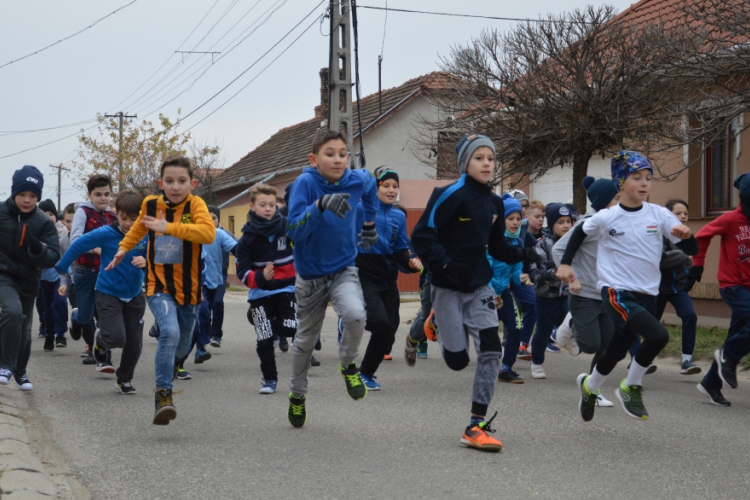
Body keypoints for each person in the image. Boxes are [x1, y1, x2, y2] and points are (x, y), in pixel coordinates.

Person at [558, 151, 697, 422]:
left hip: (647, 295)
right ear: (620, 183)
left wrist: (688, 236)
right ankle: (631, 386)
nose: (644, 183)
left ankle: (590, 386)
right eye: (636, 178)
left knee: (616, 350)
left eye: (648, 178)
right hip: (616, 292)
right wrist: (565, 265)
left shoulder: (659, 214)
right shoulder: (607, 217)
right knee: (658, 336)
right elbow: (576, 235)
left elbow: (690, 248)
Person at [412, 133, 527, 451]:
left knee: (492, 351)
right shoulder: (448, 194)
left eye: (490, 158)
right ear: (465, 162)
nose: (486, 163)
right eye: (479, 158)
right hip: (447, 287)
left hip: (480, 287)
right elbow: (421, 237)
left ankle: (475, 425)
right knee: (458, 361)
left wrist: (522, 254)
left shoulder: (494, 203)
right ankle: (434, 320)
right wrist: (447, 266)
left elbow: (497, 245)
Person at [106, 155, 216, 425]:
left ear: (192, 183)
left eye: (181, 181)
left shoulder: (196, 204)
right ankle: (163, 394)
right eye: (169, 181)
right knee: (170, 332)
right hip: (158, 285)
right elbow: (137, 231)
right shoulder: (151, 204)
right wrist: (123, 250)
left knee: (181, 346)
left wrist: (168, 228)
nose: (176, 187)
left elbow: (208, 234)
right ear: (160, 183)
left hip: (189, 290)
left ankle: (175, 361)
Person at [285, 129, 378, 428]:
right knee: (305, 341)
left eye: (342, 154)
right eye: (330, 154)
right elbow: (294, 230)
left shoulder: (357, 179)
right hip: (310, 276)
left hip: (343, 269)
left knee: (355, 315)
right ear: (314, 159)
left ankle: (348, 364)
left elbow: (371, 185)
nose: (338, 159)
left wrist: (369, 224)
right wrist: (320, 205)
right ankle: (297, 396)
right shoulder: (305, 184)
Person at [57, 191, 147, 393]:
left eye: (134, 220)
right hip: (108, 292)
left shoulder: (147, 233)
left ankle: (124, 379)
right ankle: (101, 340)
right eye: (124, 218)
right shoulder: (107, 233)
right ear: (117, 214)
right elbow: (78, 243)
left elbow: (160, 255)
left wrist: (147, 262)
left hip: (134, 294)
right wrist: (62, 266)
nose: (128, 224)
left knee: (134, 343)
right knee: (116, 338)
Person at [552, 176, 620, 407]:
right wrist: (572, 277)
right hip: (584, 294)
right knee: (590, 345)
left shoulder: (618, 224)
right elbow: (558, 248)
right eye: (617, 199)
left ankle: (593, 388)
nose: (621, 203)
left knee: (607, 347)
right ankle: (570, 323)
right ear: (604, 202)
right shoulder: (588, 224)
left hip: (608, 295)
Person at [357, 166, 422, 390]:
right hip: (365, 272)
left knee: (390, 327)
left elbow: (400, 248)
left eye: (395, 186)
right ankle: (352, 320)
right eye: (386, 185)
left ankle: (365, 373)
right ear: (375, 188)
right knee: (379, 322)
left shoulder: (398, 215)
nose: (391, 190)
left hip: (388, 277)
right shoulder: (360, 209)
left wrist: (411, 263)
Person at [690, 173, 750, 407]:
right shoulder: (730, 219)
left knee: (736, 336)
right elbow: (702, 235)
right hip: (733, 286)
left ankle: (710, 383)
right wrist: (698, 264)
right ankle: (729, 357)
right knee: (736, 344)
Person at [0, 166, 60, 390]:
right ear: (14, 192)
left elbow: (52, 256)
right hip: (3, 274)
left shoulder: (43, 222)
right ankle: (5, 365)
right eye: (23, 194)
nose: (27, 200)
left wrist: (38, 249)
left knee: (25, 331)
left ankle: (20, 372)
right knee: (13, 313)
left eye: (32, 196)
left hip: (28, 279)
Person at [236, 184, 296, 394]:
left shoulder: (287, 227)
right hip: (260, 293)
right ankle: (269, 380)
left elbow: (303, 246)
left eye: (272, 205)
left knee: (290, 327)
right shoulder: (247, 238)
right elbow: (242, 271)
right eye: (263, 205)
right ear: (253, 206)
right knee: (264, 339)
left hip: (286, 289)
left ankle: (268, 323)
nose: (268, 209)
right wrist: (260, 277)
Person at [70, 175, 117, 365]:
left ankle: (104, 358)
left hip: (105, 273)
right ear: (89, 194)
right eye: (98, 194)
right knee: (86, 315)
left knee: (104, 316)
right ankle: (76, 316)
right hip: (85, 272)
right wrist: (97, 248)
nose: (103, 198)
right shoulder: (83, 212)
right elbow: (76, 241)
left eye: (107, 194)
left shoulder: (113, 216)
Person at [655, 199, 700, 375]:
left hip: (677, 288)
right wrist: (681, 257)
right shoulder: (659, 235)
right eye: (678, 213)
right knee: (650, 325)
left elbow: (690, 257)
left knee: (690, 315)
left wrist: (687, 273)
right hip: (657, 288)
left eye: (686, 214)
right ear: (668, 216)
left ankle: (687, 360)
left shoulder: (686, 237)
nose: (683, 217)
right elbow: (661, 260)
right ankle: (639, 357)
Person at [528, 203, 572, 379]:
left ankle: (572, 339)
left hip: (567, 294)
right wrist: (555, 273)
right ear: (552, 224)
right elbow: (535, 274)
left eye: (569, 221)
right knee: (543, 331)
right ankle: (537, 363)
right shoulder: (542, 246)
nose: (566, 225)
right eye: (561, 222)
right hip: (546, 296)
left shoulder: (574, 242)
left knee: (574, 322)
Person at [489, 195, 528, 384]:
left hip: (504, 291)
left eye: (518, 219)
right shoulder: (491, 240)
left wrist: (523, 278)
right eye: (510, 218)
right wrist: (491, 293)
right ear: (501, 220)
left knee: (516, 328)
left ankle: (506, 368)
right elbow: (484, 268)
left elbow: (516, 270)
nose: (515, 223)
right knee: (488, 331)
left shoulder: (518, 243)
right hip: (485, 291)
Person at [514, 198, 545, 361]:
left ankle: (522, 344)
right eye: (537, 216)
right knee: (507, 311)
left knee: (532, 303)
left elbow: (539, 250)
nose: (541, 220)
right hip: (506, 274)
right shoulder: (510, 227)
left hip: (524, 277)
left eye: (543, 217)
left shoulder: (539, 234)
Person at [36, 200, 67, 352]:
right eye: (44, 214)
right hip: (44, 276)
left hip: (61, 275)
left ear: (56, 216)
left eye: (51, 214)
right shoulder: (36, 231)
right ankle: (49, 334)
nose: (48, 217)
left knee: (59, 302)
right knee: (47, 308)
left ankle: (60, 334)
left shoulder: (64, 232)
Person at [209, 208, 237, 349]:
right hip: (203, 276)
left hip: (221, 275)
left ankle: (216, 335)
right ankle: (204, 333)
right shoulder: (197, 233)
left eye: (213, 218)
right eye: (207, 217)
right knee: (204, 307)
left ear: (218, 219)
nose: (210, 221)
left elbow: (239, 249)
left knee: (218, 302)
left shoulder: (225, 234)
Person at [54, 203, 77, 348]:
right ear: (63, 221)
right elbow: (62, 265)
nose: (71, 224)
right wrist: (63, 283)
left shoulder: (91, 237)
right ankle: (77, 322)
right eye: (68, 221)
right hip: (75, 282)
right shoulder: (63, 241)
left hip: (95, 280)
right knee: (78, 309)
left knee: (96, 313)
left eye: (75, 221)